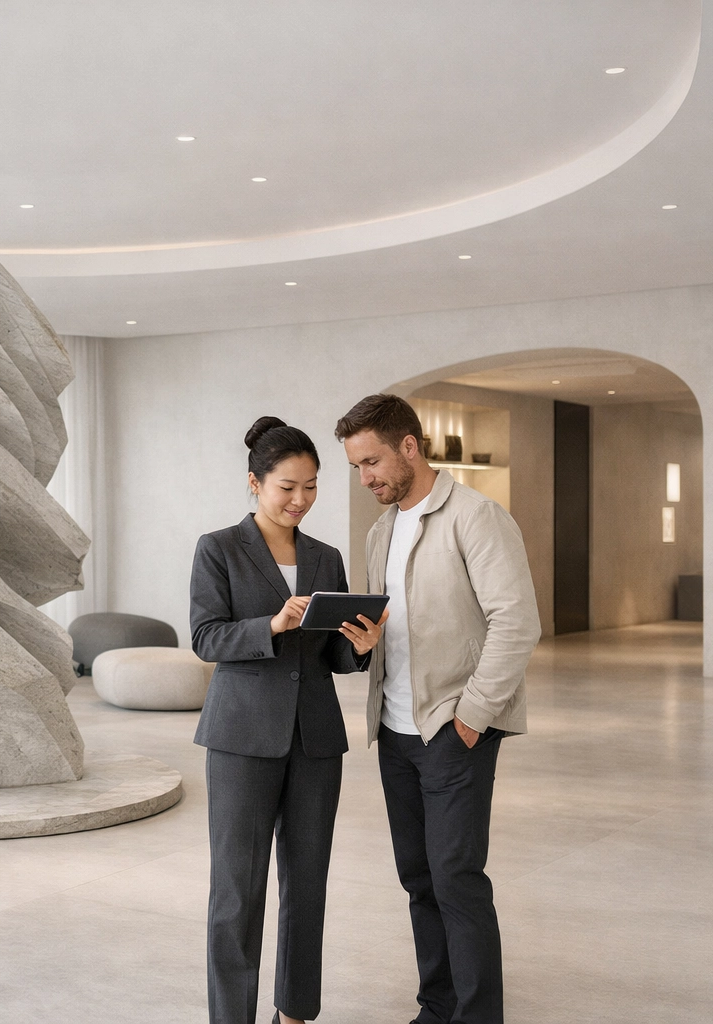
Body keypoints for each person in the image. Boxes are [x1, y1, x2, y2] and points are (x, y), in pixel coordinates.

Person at [334, 395, 541, 1024]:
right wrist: (366, 650)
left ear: (409, 446)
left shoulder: (477, 518)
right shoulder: (381, 530)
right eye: (355, 467)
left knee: (457, 878)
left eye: (372, 461)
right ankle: (438, 1004)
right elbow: (390, 629)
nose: (366, 478)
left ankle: (478, 1016)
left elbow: (517, 623)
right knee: (419, 878)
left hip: (452, 729)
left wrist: (472, 718)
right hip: (394, 732)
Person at [190, 415, 386, 1024]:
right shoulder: (218, 548)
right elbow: (204, 637)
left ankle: (296, 1012)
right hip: (243, 738)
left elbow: (333, 655)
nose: (300, 500)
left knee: (307, 886)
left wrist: (362, 642)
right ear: (255, 484)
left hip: (316, 740)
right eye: (287, 488)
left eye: (311, 486)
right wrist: (271, 625)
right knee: (236, 893)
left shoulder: (325, 558)